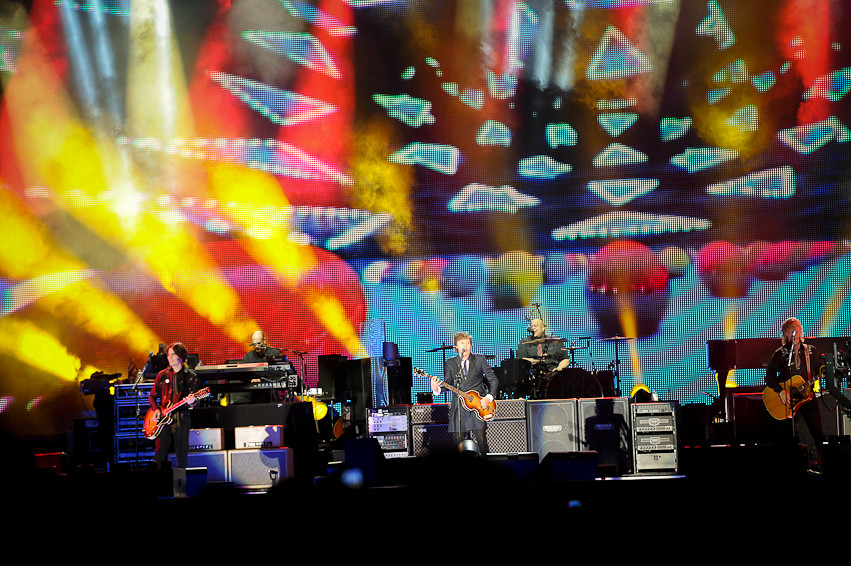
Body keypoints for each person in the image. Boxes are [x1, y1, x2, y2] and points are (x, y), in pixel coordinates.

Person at [764, 317, 826, 471]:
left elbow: (821, 369)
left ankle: (822, 462)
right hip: (787, 400)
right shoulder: (781, 353)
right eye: (791, 328)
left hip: (807, 397)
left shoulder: (811, 350)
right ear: (786, 333)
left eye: (797, 326)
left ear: (801, 329)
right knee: (785, 436)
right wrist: (780, 391)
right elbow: (769, 375)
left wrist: (827, 371)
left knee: (817, 431)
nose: (795, 330)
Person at [430, 331, 499, 454]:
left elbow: (493, 380)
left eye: (468, 343)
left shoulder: (479, 359)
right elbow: (448, 383)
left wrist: (488, 398)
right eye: (462, 343)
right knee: (458, 445)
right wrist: (436, 389)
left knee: (481, 442)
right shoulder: (451, 362)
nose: (465, 346)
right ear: (456, 346)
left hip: (477, 405)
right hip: (459, 408)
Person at [148, 342, 200, 469]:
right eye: (168, 355)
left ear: (181, 356)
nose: (169, 357)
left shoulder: (191, 376)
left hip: (181, 420)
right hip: (163, 421)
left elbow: (195, 401)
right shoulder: (162, 375)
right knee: (160, 455)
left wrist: (192, 401)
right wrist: (156, 410)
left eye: (173, 354)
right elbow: (152, 396)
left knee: (181, 456)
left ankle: (181, 484)